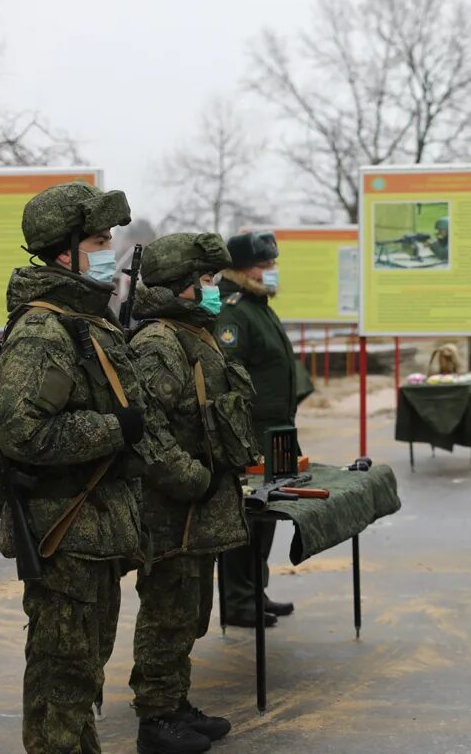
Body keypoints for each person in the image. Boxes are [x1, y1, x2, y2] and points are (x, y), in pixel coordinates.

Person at [0, 182, 150, 753]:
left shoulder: (83, 321)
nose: (111, 250)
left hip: (91, 533)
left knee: (83, 675)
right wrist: (114, 428)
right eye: (100, 241)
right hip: (64, 536)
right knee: (62, 683)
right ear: (64, 252)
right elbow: (21, 432)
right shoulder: (43, 331)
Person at [127, 233, 261, 753]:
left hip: (199, 508)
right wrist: (191, 478)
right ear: (180, 287)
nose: (212, 289)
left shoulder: (194, 334)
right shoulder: (158, 343)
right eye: (205, 281)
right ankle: (155, 718)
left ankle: (175, 703)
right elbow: (146, 428)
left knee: (189, 610)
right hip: (173, 510)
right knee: (166, 611)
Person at [216, 231, 300, 627]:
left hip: (275, 430)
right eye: (263, 265)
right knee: (246, 518)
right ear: (238, 269)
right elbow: (228, 377)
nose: (272, 272)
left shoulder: (258, 305)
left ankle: (255, 590)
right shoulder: (233, 310)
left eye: (273, 264)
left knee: (264, 518)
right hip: (251, 432)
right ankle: (237, 600)